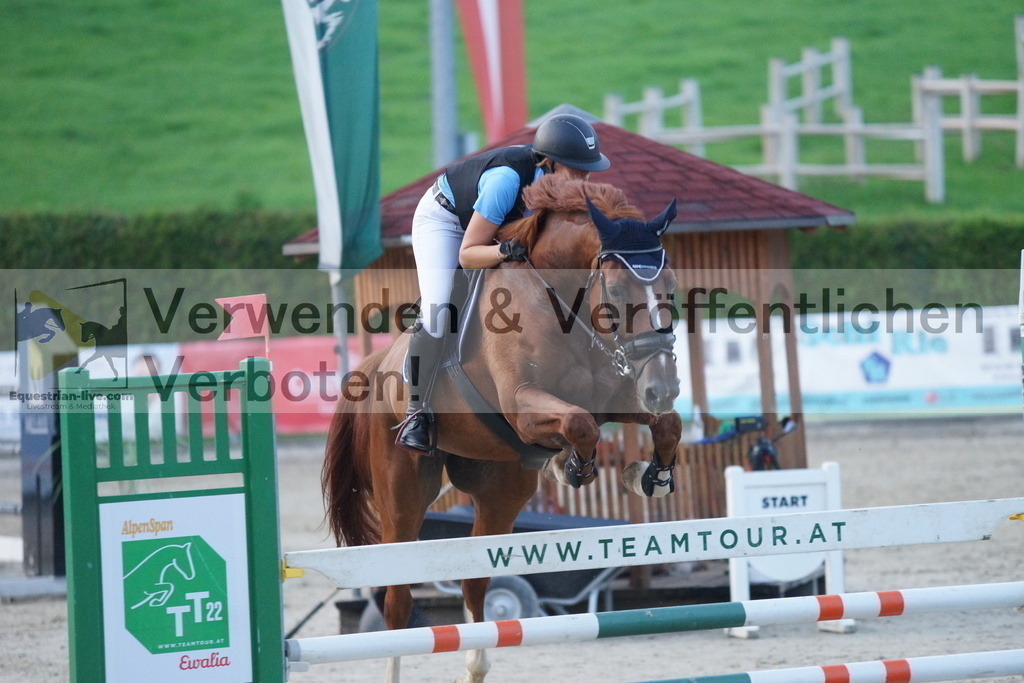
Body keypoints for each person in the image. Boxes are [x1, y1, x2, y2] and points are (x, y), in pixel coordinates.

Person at [396, 113, 612, 454]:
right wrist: (503, 251)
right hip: (446, 221)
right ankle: (417, 411)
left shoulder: (560, 186)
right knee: (438, 308)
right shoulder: (506, 180)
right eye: (577, 170)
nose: (583, 179)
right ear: (551, 163)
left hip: (493, 222)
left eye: (588, 171)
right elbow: (469, 255)